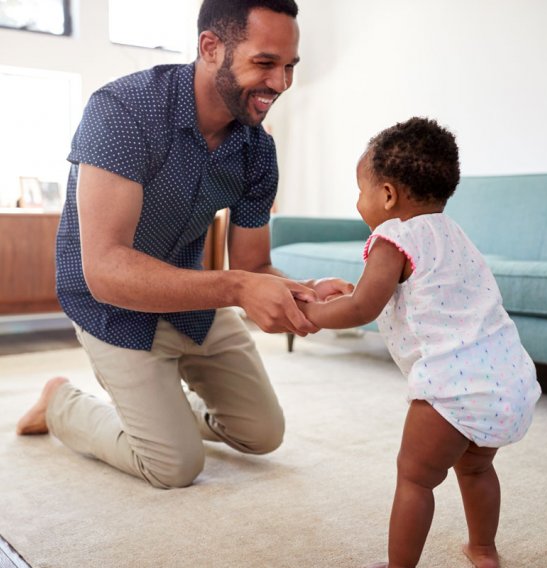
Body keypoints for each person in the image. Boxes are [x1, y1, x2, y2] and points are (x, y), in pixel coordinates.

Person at [16, 0, 352, 489]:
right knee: (174, 467)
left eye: (289, 67)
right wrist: (238, 288)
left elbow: (253, 264)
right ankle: (62, 401)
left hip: (192, 297)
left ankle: (163, 414)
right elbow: (106, 270)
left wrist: (304, 291)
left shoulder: (258, 151)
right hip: (109, 303)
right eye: (265, 63)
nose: (280, 84)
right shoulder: (123, 111)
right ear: (210, 47)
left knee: (263, 435)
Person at [297, 117, 542, 568]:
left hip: (452, 388)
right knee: (477, 467)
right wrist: (352, 290)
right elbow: (416, 295)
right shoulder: (453, 234)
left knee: (415, 479)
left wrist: (308, 313)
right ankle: (484, 550)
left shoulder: (392, 236)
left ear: (387, 195)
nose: (358, 202)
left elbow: (362, 310)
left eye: (360, 191)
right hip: (506, 380)